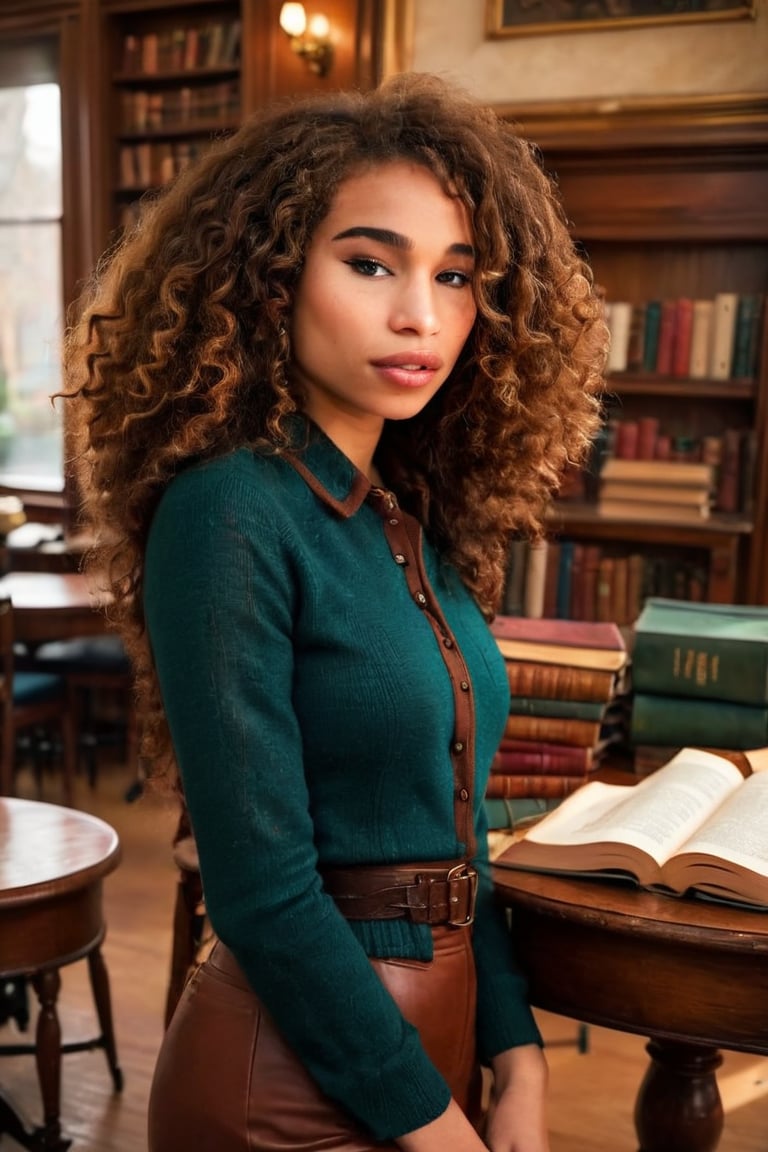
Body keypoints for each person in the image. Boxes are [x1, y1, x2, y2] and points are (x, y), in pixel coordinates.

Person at [63, 72, 605, 1152]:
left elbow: (460, 846)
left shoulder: (405, 516)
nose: (422, 315)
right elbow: (263, 893)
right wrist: (432, 1128)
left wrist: (521, 1059)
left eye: (457, 277)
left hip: (429, 1062)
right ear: (267, 281)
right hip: (287, 1084)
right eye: (370, 263)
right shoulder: (229, 510)